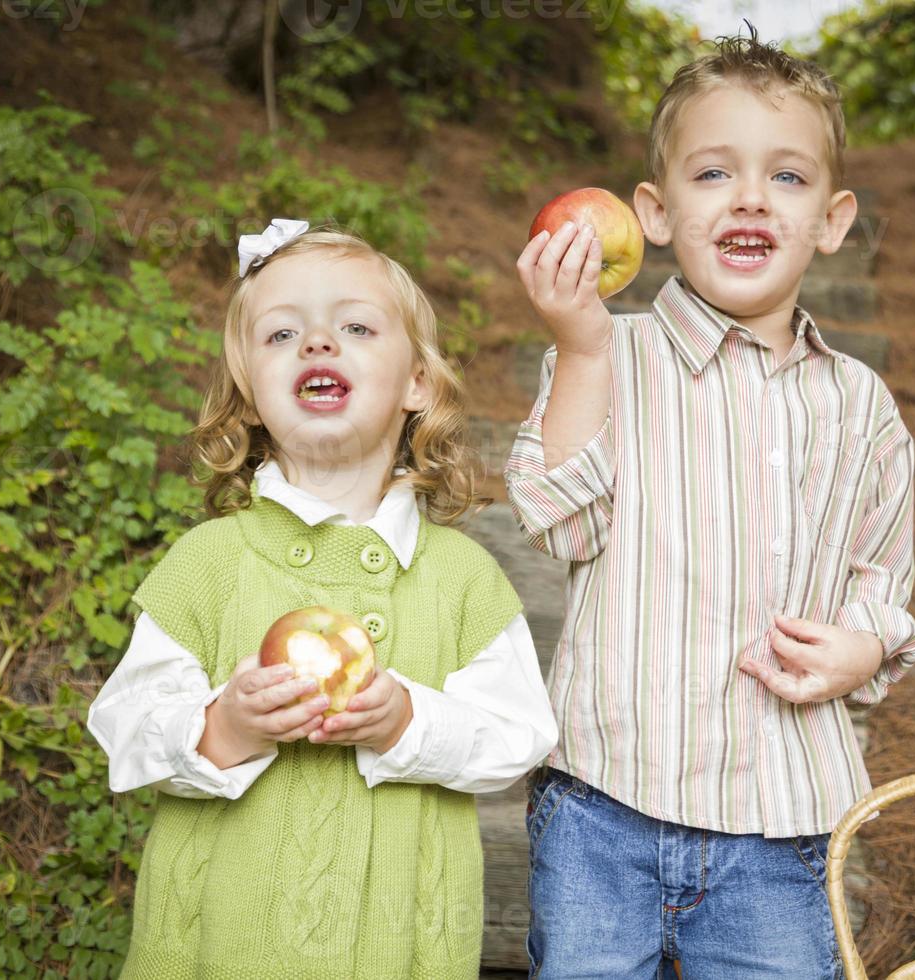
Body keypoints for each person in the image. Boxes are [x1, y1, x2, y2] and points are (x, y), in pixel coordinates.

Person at [505, 28, 915, 980]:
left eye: (785, 177)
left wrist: (862, 646)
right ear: (651, 211)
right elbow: (558, 518)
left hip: (781, 826)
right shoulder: (608, 358)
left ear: (832, 217)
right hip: (601, 811)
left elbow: (881, 579)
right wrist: (576, 347)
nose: (746, 197)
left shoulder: (859, 404)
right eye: (711, 173)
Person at [87, 220, 557, 979]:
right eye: (280, 335)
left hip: (396, 947)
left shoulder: (464, 579)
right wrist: (225, 724)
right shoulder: (208, 562)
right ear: (246, 395)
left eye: (355, 326)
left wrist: (408, 720)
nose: (315, 344)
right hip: (219, 943)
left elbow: (516, 739)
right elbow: (125, 727)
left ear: (417, 384)